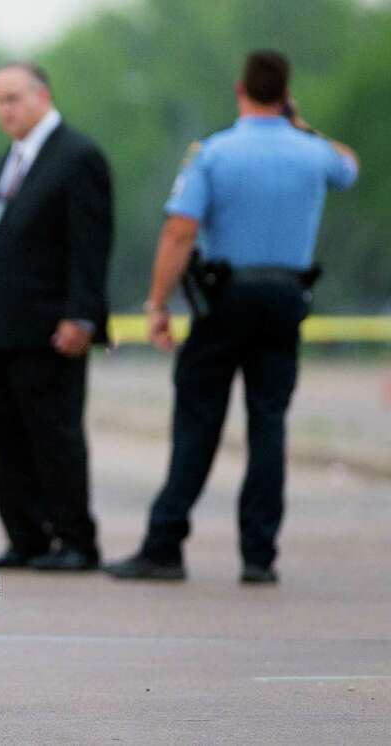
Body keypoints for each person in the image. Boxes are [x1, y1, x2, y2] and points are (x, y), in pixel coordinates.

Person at [104, 51, 359, 584]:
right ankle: (259, 556)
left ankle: (165, 545)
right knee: (269, 425)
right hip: (287, 299)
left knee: (198, 421)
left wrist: (157, 303)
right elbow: (350, 166)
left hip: (225, 302)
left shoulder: (214, 153)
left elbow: (179, 231)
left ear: (241, 89)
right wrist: (301, 124)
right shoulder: (313, 153)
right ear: (286, 94)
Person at [0, 62, 112, 572]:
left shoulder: (77, 157)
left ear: (42, 95)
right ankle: (26, 534)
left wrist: (81, 315)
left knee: (54, 435)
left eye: (13, 98)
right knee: (6, 436)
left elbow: (90, 246)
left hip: (50, 327)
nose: (5, 109)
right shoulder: (8, 160)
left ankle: (75, 537)